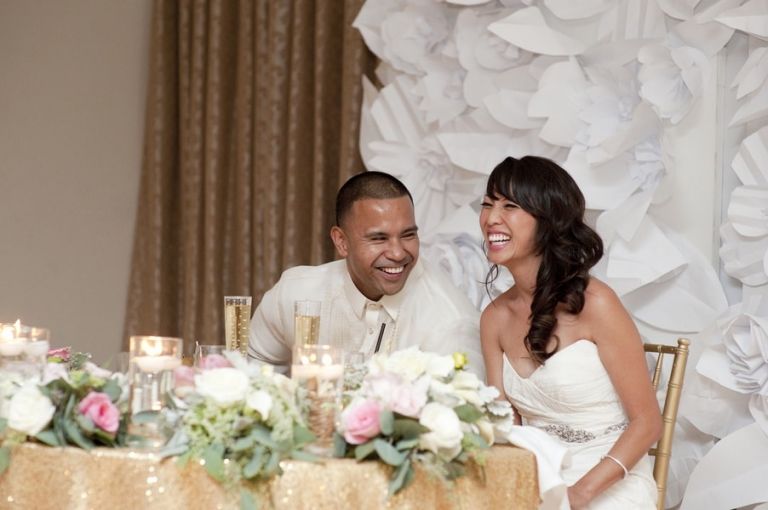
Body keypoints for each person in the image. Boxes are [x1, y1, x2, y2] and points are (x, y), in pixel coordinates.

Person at [479, 156, 661, 509]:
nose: (491, 218)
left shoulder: (597, 304)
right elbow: (505, 423)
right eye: (487, 204)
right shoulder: (493, 318)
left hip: (609, 476)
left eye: (510, 206)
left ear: (548, 222)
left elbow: (647, 422)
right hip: (538, 473)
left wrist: (577, 495)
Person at [249, 171, 484, 377]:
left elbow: (458, 420)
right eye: (378, 238)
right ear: (341, 242)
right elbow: (252, 368)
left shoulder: (450, 323)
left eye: (408, 235)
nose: (397, 253)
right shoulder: (296, 293)